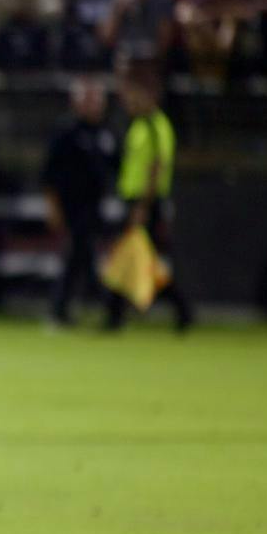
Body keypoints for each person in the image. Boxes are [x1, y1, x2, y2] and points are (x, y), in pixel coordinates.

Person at [106, 61, 194, 333]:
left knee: (131, 260)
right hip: (134, 201)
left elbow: (157, 168)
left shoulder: (157, 127)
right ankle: (120, 317)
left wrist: (143, 206)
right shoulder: (140, 126)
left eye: (133, 95)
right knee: (136, 260)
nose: (128, 101)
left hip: (145, 204)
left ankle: (118, 317)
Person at [41, 76, 117, 328]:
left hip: (97, 206)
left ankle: (69, 310)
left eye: (97, 99)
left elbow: (116, 168)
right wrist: (53, 207)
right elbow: (48, 174)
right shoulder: (66, 132)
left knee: (80, 259)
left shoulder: (106, 133)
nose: (94, 104)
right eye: (88, 99)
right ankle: (104, 308)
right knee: (79, 255)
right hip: (71, 206)